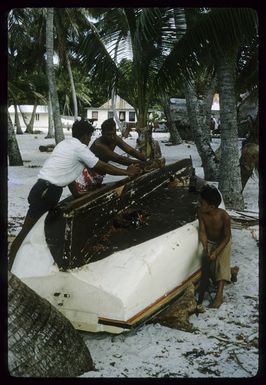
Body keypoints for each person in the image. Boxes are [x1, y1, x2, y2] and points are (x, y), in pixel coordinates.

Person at [8, 119, 140, 270]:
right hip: (47, 192)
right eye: (89, 136)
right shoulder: (80, 148)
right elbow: (102, 165)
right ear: (85, 136)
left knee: (43, 230)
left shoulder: (64, 144)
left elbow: (67, 172)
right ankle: (10, 266)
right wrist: (127, 173)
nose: (90, 139)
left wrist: (77, 194)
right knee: (26, 232)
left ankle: (35, 263)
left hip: (42, 189)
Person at [71, 118, 147, 196]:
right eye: (108, 134)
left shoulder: (114, 138)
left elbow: (130, 150)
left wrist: (144, 158)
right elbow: (118, 159)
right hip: (86, 178)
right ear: (102, 133)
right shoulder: (98, 145)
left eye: (113, 134)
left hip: (99, 177)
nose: (111, 137)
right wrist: (143, 164)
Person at [197, 185, 239, 309]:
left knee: (220, 262)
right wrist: (205, 247)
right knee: (209, 264)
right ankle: (231, 271)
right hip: (210, 241)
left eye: (202, 203)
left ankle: (219, 296)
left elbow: (227, 236)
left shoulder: (224, 216)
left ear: (211, 206)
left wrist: (216, 252)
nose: (199, 204)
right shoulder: (201, 213)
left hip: (223, 242)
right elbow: (202, 231)